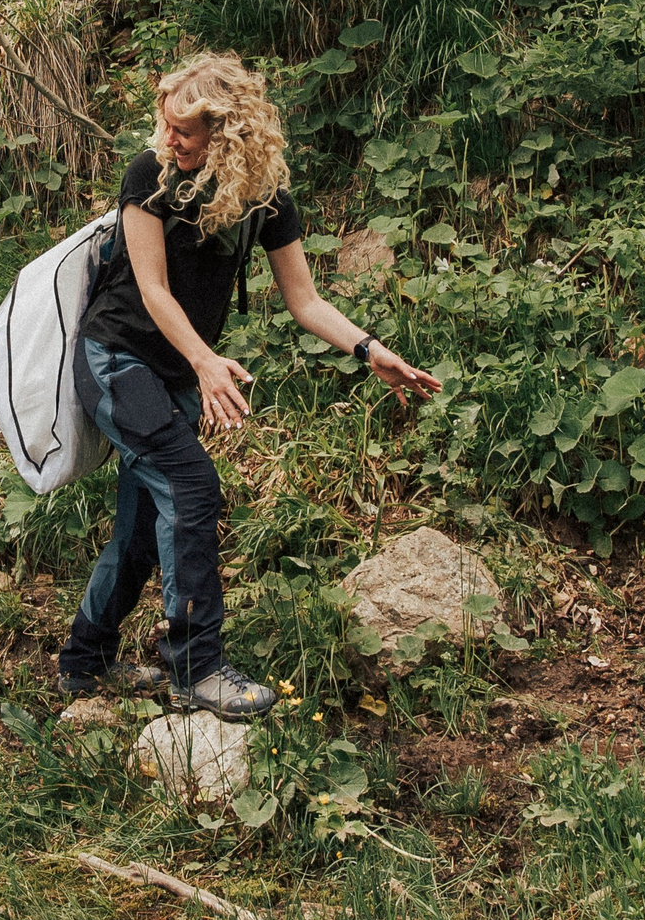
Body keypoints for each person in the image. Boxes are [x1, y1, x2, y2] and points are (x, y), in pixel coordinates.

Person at [61, 53, 441, 720]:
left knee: (145, 522)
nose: (167, 138)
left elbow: (306, 300)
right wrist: (206, 362)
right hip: (116, 357)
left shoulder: (264, 198)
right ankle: (197, 669)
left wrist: (368, 348)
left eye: (184, 129)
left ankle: (83, 663)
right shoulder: (150, 175)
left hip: (175, 371)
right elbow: (152, 288)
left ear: (228, 134)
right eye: (165, 123)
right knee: (191, 488)